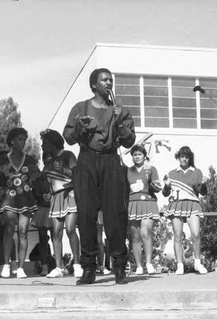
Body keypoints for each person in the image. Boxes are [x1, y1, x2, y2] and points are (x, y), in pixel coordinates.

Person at [63, 68, 135, 285]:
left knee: (115, 214)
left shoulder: (120, 111)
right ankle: (88, 268)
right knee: (86, 216)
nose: (109, 83)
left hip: (111, 161)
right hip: (86, 161)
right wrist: (81, 131)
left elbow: (129, 141)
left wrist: (120, 124)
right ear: (94, 85)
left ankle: (120, 267)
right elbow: (68, 137)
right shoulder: (81, 108)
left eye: (111, 80)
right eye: (104, 80)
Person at [0, 127, 40, 278]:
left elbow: (37, 177)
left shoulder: (29, 159)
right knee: (8, 230)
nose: (23, 143)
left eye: (24, 140)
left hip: (26, 199)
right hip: (8, 199)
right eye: (19, 139)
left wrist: (39, 187)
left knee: (23, 232)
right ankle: (5, 265)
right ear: (11, 141)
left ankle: (21, 268)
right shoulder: (3, 159)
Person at [41, 129, 83, 278]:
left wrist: (65, 170)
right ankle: (59, 267)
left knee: (71, 229)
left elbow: (78, 174)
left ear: (53, 142)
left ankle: (77, 264)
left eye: (45, 143)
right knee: (56, 233)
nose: (42, 145)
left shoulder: (68, 155)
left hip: (70, 195)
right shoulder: (48, 161)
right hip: (56, 198)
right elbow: (48, 182)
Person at [162, 146, 208, 275]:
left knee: (196, 234)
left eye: (187, 157)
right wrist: (166, 185)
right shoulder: (172, 173)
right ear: (179, 157)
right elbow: (165, 194)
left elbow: (202, 192)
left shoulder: (197, 172)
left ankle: (198, 263)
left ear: (190, 158)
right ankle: (179, 265)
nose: (184, 159)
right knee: (177, 235)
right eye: (182, 156)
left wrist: (203, 186)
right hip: (176, 205)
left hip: (193, 204)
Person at [127, 145, 161, 275]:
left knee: (146, 232)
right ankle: (139, 266)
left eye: (139, 154)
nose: (137, 157)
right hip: (133, 204)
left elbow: (157, 187)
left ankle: (148, 263)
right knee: (135, 237)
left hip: (148, 202)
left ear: (144, 156)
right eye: (135, 154)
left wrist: (155, 185)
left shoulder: (151, 169)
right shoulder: (128, 170)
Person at [30, 153, 54, 276]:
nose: (48, 163)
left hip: (55, 209)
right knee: (43, 240)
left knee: (57, 238)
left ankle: (60, 266)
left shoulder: (56, 175)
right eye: (46, 161)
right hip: (42, 210)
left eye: (50, 161)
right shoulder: (38, 177)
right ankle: (44, 267)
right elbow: (34, 194)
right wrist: (39, 194)